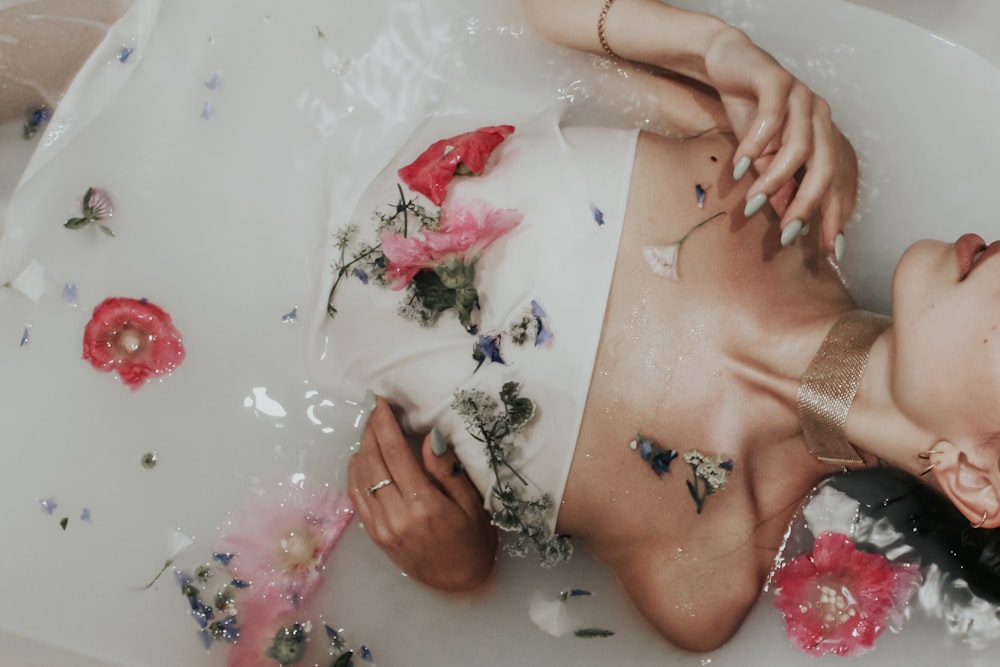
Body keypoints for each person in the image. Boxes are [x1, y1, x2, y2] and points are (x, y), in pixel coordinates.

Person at [331, 0, 1000, 652]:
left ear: (975, 477)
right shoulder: (784, 181)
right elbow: (515, 18)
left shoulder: (698, 574)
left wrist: (462, 578)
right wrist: (713, 45)